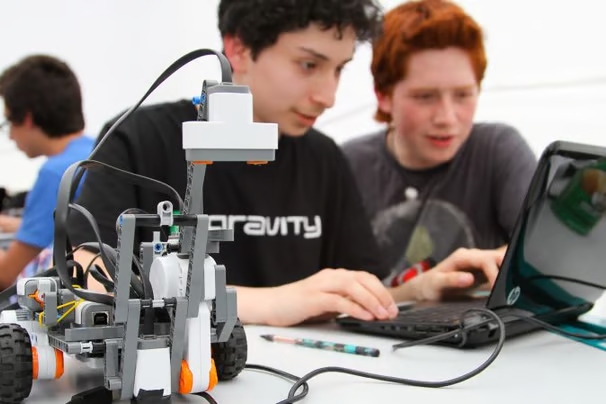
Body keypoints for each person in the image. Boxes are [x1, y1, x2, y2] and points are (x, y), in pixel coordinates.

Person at [68, 0, 504, 327]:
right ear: (238, 48)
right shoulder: (139, 138)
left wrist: (418, 290)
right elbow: (87, 276)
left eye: (339, 69)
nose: (328, 96)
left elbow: (355, 291)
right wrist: (270, 303)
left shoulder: (324, 158)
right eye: (308, 64)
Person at [342, 0, 536, 285]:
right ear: (383, 95)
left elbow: (543, 251)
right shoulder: (345, 165)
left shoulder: (499, 149)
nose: (446, 117)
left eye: (463, 95)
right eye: (425, 97)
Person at [0, 55, 94, 288]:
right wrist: (19, 225)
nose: (9, 135)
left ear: (28, 119)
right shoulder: (97, 151)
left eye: (9, 122)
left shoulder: (55, 174)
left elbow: (5, 274)